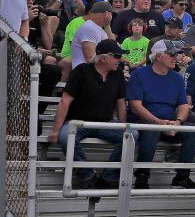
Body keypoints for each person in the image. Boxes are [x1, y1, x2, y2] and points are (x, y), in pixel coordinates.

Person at [48, 39, 132, 189]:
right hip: (78, 122)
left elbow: (121, 102)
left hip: (105, 122)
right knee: (65, 136)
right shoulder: (81, 71)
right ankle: (86, 175)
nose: (120, 60)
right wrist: (55, 130)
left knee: (132, 135)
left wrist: (123, 125)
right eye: (117, 57)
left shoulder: (117, 74)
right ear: (104, 58)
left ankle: (109, 176)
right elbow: (65, 101)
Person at [127, 40, 195, 189]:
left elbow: (183, 105)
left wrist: (178, 122)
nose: (176, 57)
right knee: (152, 130)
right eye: (172, 54)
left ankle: (182, 177)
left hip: (169, 122)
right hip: (144, 121)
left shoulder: (177, 78)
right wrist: (158, 122)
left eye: (177, 54)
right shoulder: (139, 74)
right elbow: (135, 106)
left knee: (192, 130)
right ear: (159, 56)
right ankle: (142, 176)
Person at [70, 1, 113, 69]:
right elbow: (90, 58)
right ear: (107, 14)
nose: (112, 17)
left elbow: (113, 47)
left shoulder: (99, 29)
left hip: (96, 71)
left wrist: (108, 26)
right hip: (84, 73)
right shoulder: (88, 28)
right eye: (112, 14)